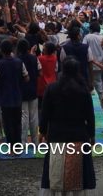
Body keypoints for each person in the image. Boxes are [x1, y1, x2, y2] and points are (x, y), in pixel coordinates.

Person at [39, 57, 96, 195]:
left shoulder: (52, 88)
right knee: (80, 173)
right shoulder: (83, 91)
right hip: (79, 135)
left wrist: (42, 131)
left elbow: (45, 113)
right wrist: (91, 135)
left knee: (54, 169)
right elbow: (90, 115)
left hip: (56, 135)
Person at [0, 39, 28, 147]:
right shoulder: (19, 62)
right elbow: (27, 78)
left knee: (7, 123)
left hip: (4, 98)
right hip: (17, 96)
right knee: (17, 122)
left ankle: (10, 146)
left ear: (1, 51)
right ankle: (18, 145)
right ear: (12, 50)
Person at [17, 38, 40, 144]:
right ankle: (35, 141)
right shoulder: (34, 58)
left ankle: (23, 142)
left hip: (21, 91)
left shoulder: (17, 60)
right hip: (33, 89)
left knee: (23, 116)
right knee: (34, 117)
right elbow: (40, 72)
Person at [82, 21, 103, 97]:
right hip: (100, 64)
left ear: (90, 29)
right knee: (100, 85)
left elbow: (84, 48)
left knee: (88, 85)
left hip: (90, 64)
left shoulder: (87, 37)